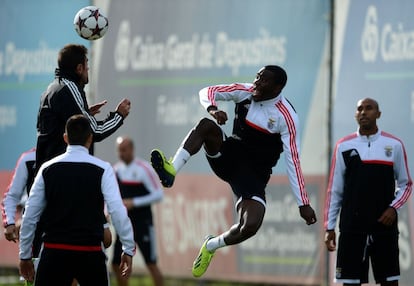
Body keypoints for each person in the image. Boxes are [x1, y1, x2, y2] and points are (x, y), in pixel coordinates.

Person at [150, 65, 317, 278]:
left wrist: (303, 203)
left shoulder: (287, 117)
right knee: (206, 126)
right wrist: (213, 109)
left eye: (263, 80)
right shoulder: (245, 92)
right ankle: (171, 169)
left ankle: (210, 245)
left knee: (250, 225)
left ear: (278, 87)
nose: (256, 82)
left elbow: (293, 160)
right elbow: (207, 92)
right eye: (257, 77)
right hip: (229, 157)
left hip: (254, 175)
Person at [19, 114, 136, 286]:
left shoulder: (47, 169)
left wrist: (24, 255)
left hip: (53, 253)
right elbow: (117, 211)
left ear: (65, 138)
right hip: (90, 254)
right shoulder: (103, 169)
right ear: (90, 138)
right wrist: (128, 248)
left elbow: (30, 215)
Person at [324, 98, 412, 286]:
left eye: (369, 108)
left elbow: (406, 184)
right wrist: (329, 227)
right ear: (356, 115)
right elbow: (335, 190)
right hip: (352, 226)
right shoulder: (343, 146)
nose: (363, 112)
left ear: (378, 114)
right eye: (359, 109)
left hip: (384, 226)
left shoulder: (394, 144)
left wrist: (393, 208)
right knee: (350, 282)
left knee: (389, 282)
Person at [35, 43, 131, 171]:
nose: (88, 69)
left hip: (48, 173)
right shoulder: (70, 88)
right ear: (79, 68)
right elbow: (96, 131)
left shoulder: (53, 88)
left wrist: (84, 112)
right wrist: (119, 115)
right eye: (87, 65)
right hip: (62, 173)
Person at [112, 136, 164, 286]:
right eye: (119, 150)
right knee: (116, 264)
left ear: (132, 150)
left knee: (151, 263)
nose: (121, 153)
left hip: (143, 222)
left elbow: (158, 194)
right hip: (124, 225)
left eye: (124, 150)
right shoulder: (116, 170)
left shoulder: (143, 168)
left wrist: (134, 202)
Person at [2, 147, 36, 243]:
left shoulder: (77, 156)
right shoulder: (28, 158)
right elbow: (11, 196)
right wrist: (9, 223)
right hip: (33, 235)